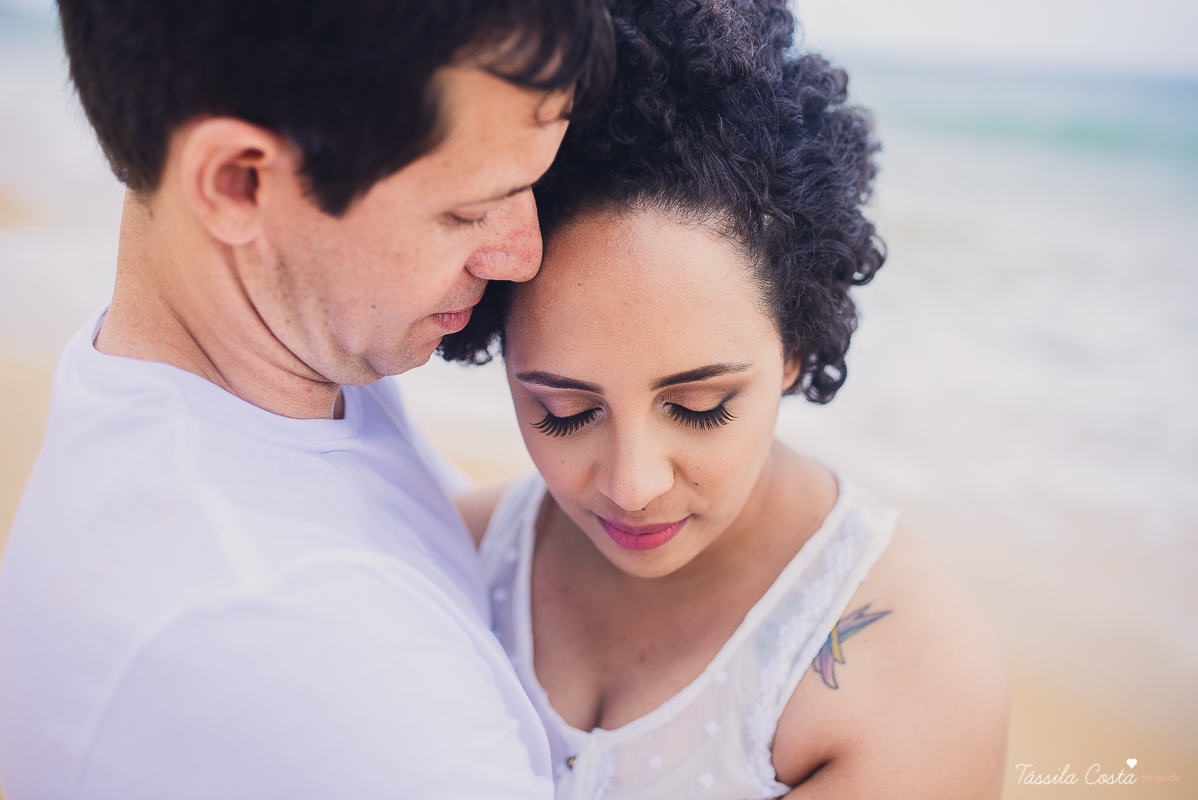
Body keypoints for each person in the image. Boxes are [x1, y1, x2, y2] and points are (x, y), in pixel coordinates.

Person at [0, 2, 612, 798]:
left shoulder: (259, 374)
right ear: (238, 182)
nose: (522, 254)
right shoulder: (287, 633)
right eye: (468, 209)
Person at [442, 1, 1010, 797]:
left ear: (796, 349)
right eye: (564, 411)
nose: (633, 486)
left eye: (701, 405)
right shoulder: (451, 557)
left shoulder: (911, 670)